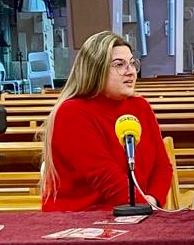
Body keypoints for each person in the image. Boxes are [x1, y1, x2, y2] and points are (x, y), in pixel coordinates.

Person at [41, 32, 176, 212]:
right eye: (119, 65)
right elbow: (105, 178)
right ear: (95, 69)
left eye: (132, 63)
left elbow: (162, 166)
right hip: (82, 218)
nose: (131, 71)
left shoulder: (140, 107)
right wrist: (145, 207)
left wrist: (152, 201)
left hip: (137, 212)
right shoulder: (72, 112)